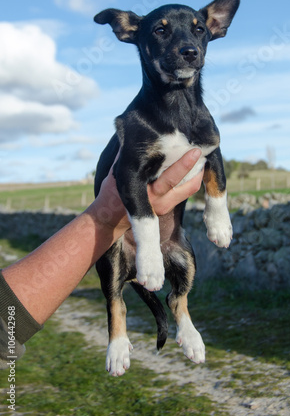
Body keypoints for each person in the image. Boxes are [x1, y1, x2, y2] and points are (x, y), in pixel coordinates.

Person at [0, 149, 203, 367]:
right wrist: (108, 214)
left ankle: (181, 309)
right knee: (113, 278)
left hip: (166, 235)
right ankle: (117, 329)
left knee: (184, 260)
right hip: (121, 233)